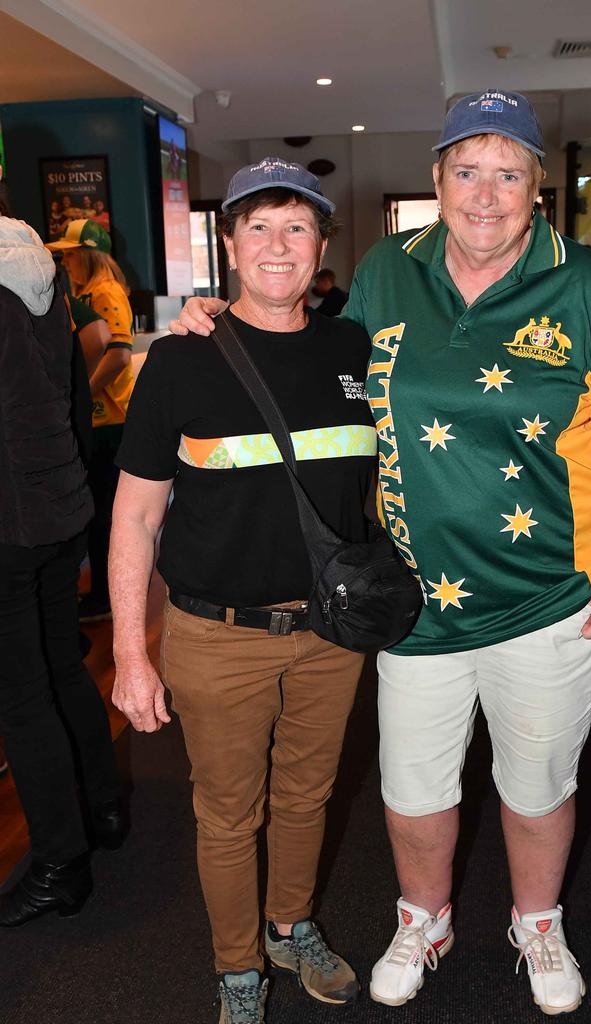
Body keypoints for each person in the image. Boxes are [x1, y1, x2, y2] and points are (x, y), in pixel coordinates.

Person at [173, 92, 591, 1017]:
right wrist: (217, 319)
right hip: (411, 604)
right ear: (437, 179)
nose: (487, 194)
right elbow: (320, 362)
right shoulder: (388, 271)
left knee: (537, 785)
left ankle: (538, 923)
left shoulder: (587, 283)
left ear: (537, 190)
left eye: (509, 173)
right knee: (412, 789)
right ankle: (423, 917)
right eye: (467, 171)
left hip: (550, 595)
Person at [111, 159, 376, 1024]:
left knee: (308, 797)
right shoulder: (181, 359)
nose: (277, 245)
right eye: (258, 226)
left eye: (296, 227)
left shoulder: (353, 347)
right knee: (229, 816)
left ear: (322, 247)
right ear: (228, 245)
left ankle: (291, 926)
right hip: (215, 637)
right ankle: (236, 971)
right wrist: (129, 655)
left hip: (330, 634)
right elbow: (136, 520)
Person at [0, 213, 125, 928]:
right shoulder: (39, 279)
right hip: (54, 509)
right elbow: (75, 401)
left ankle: (59, 864)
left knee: (21, 696)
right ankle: (104, 812)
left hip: (10, 522)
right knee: (61, 667)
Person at [47, 219, 134, 622]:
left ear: (86, 253)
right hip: (102, 422)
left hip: (110, 423)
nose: (64, 260)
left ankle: (104, 596)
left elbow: (117, 354)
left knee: (103, 516)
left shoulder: (104, 292)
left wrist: (83, 396)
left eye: (69, 252)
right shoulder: (89, 292)